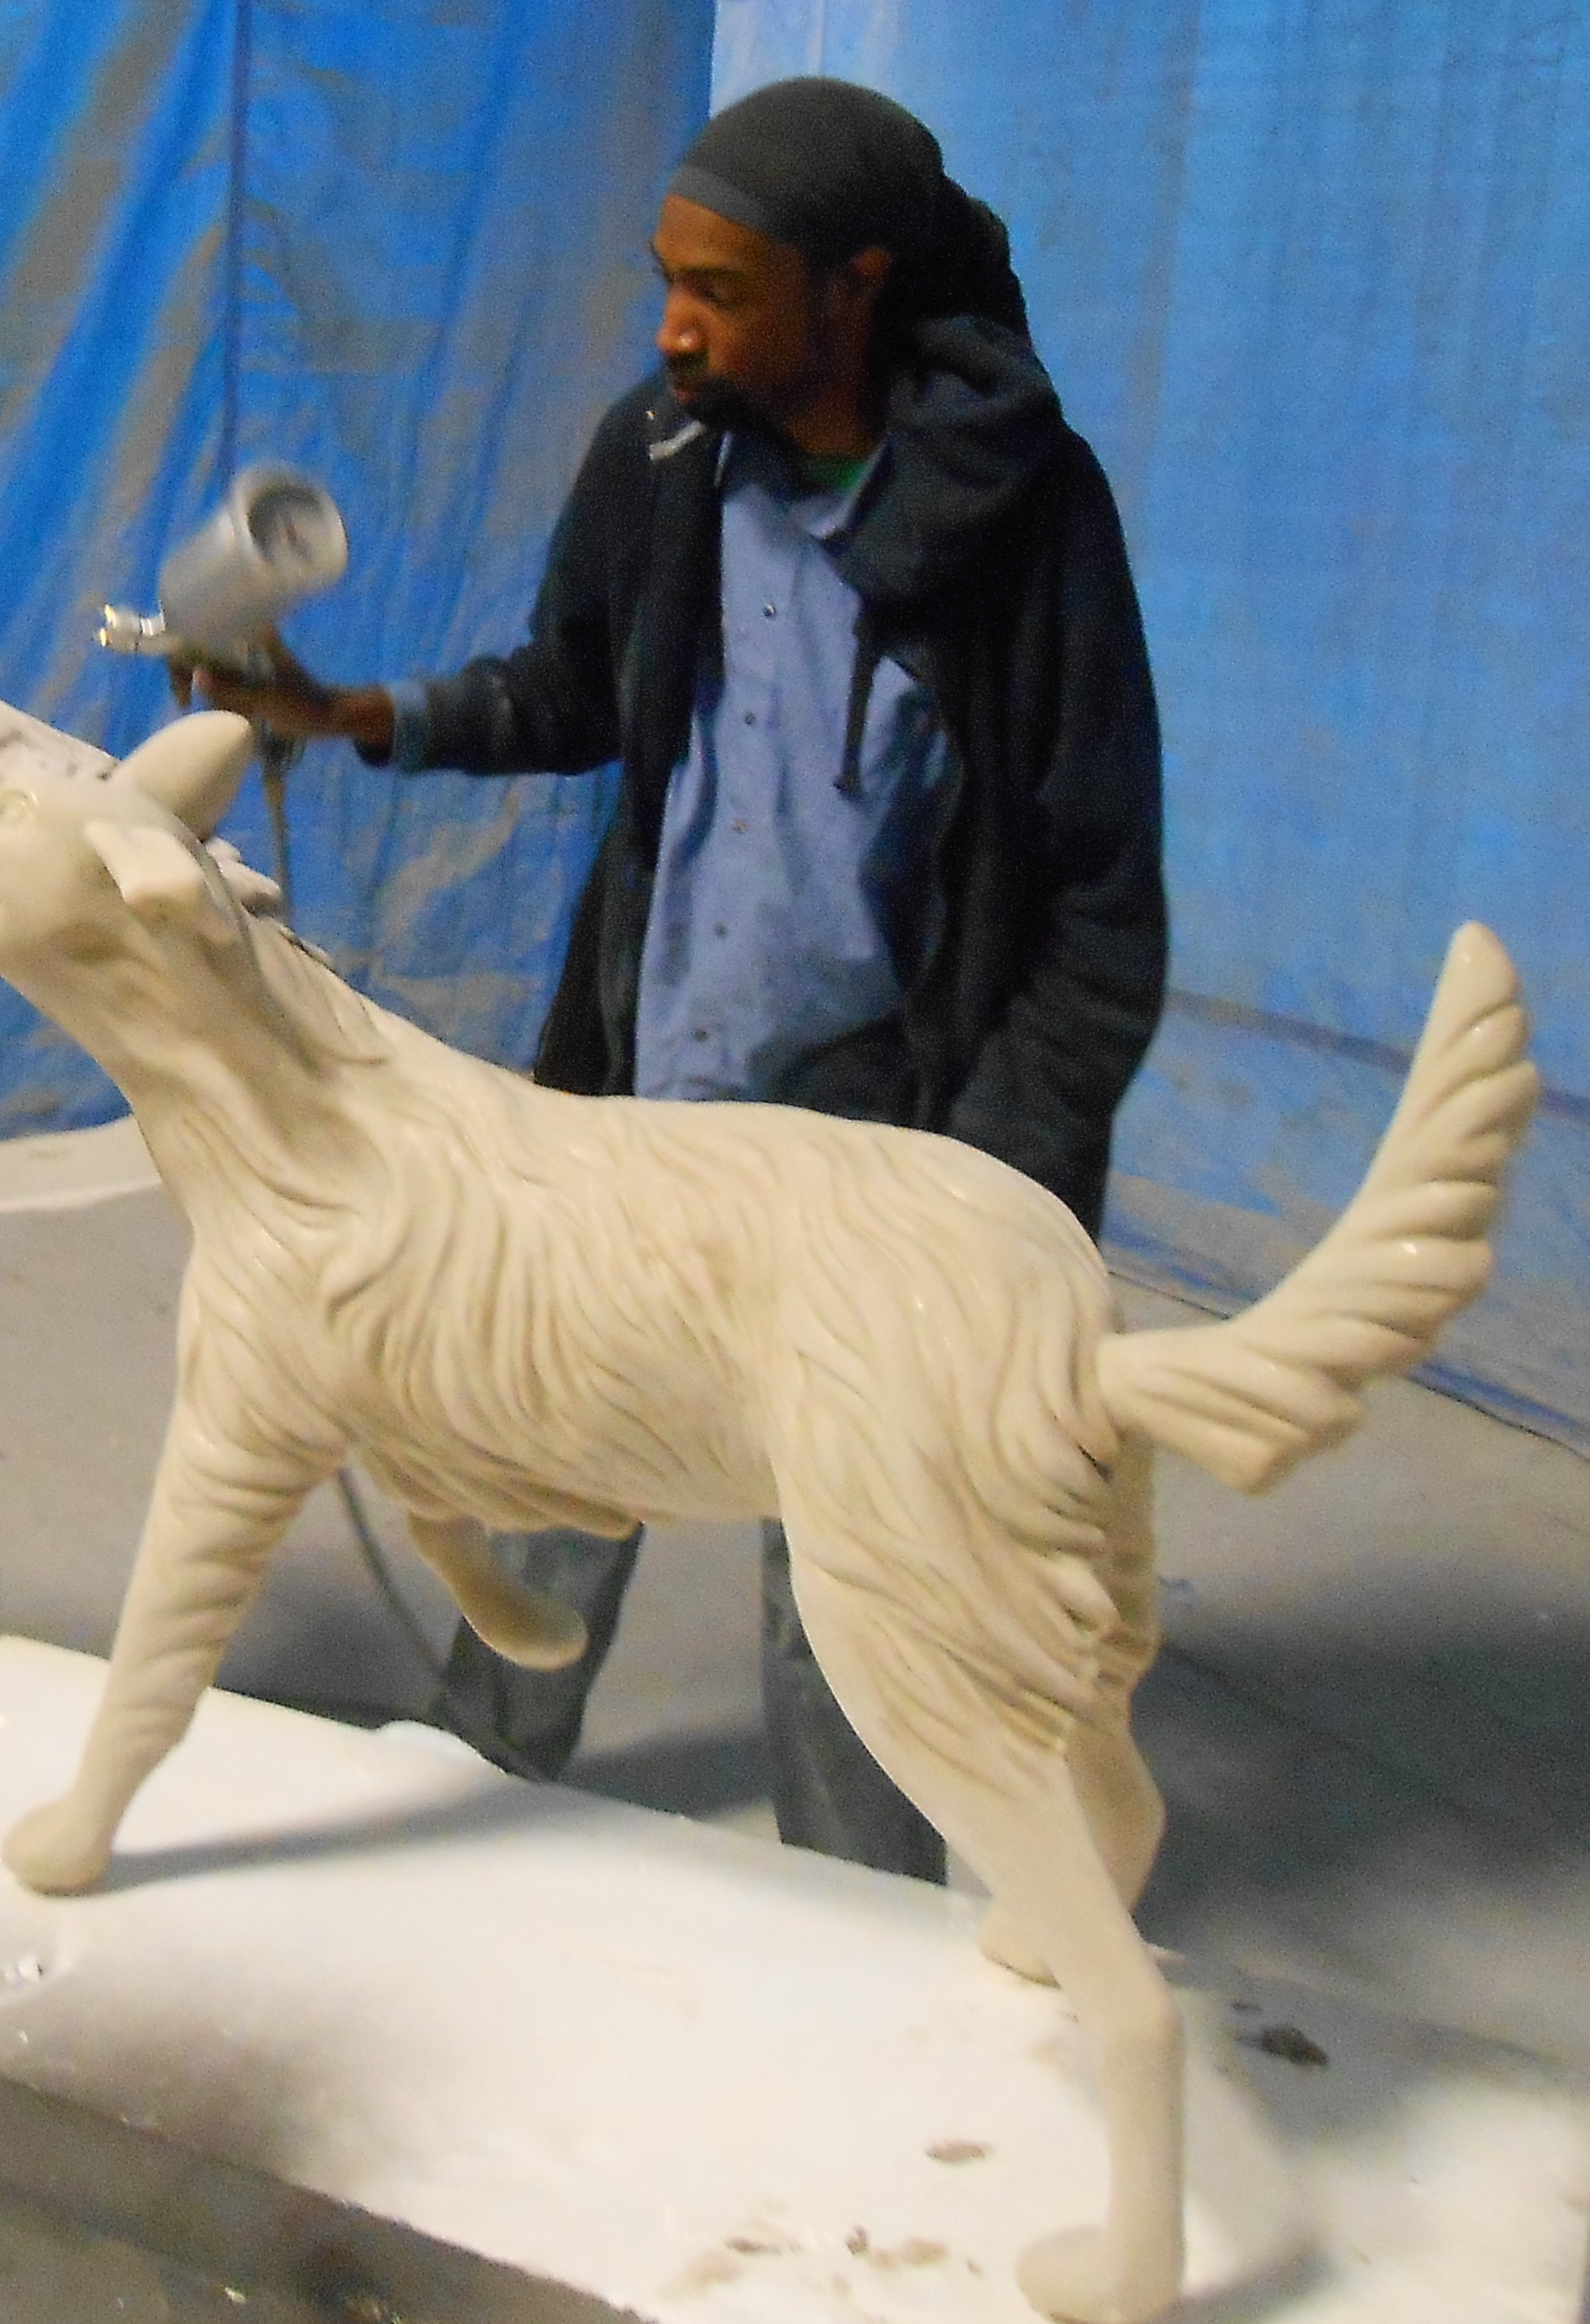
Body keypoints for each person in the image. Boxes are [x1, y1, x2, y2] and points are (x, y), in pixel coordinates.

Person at [180, 77, 1167, 1881]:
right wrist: (352, 711)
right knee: (547, 1443)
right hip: (652, 1090)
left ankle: (857, 1912)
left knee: (862, 1570)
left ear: (854, 288)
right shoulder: (664, 454)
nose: (672, 327)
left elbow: (1099, 901)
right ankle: (478, 1784)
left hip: (883, 1140)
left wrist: (989, 1197)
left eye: (718, 289)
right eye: (665, 280)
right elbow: (572, 685)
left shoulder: (1027, 517)